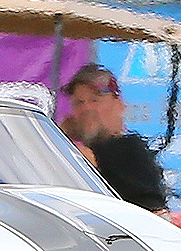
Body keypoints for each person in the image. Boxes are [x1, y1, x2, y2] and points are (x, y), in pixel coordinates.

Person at [58, 64, 169, 212]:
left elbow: (147, 207)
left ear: (118, 105)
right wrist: (60, 135)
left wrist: (89, 169)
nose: (86, 108)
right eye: (79, 102)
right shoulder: (79, 150)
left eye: (95, 100)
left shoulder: (128, 150)